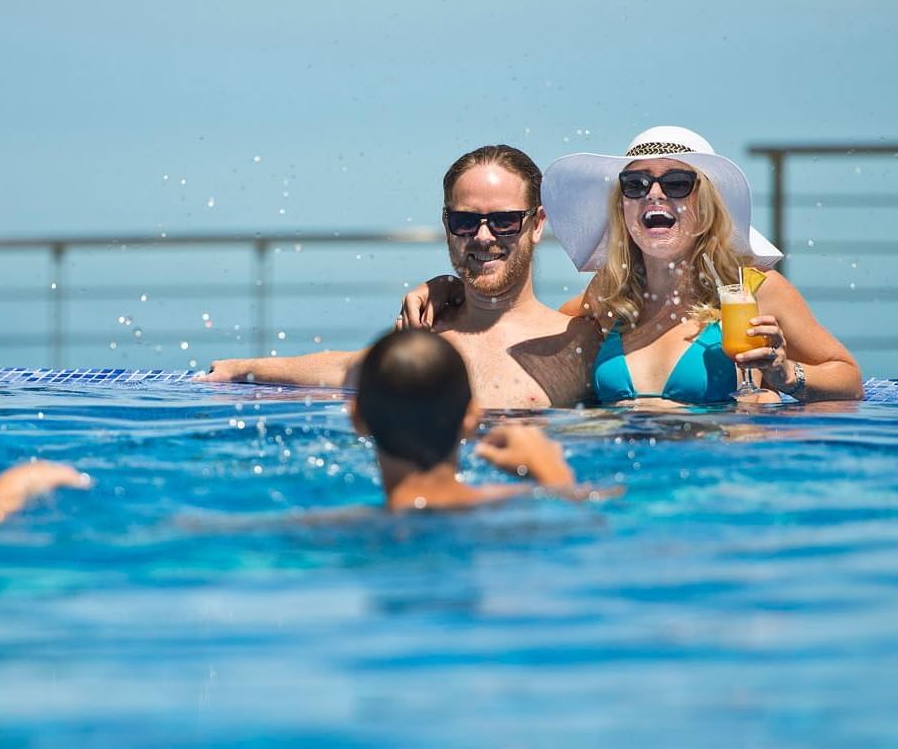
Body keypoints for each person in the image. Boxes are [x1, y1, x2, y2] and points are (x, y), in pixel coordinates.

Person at [403, 126, 863, 405]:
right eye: (636, 184)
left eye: (677, 183)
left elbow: (849, 378)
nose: (654, 195)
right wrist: (455, 290)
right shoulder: (609, 299)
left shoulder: (753, 290)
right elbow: (522, 320)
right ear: (622, 206)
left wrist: (788, 377)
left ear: (706, 205)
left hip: (718, 481)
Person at [201, 145, 600, 408]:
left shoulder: (580, 341)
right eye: (465, 221)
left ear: (537, 224)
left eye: (504, 221)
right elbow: (343, 369)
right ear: (447, 224)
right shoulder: (423, 335)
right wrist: (238, 369)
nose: (482, 236)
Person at [351, 330, 592, 510]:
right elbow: (586, 524)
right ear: (472, 416)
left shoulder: (329, 528)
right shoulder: (511, 509)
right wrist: (552, 473)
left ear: (357, 418)